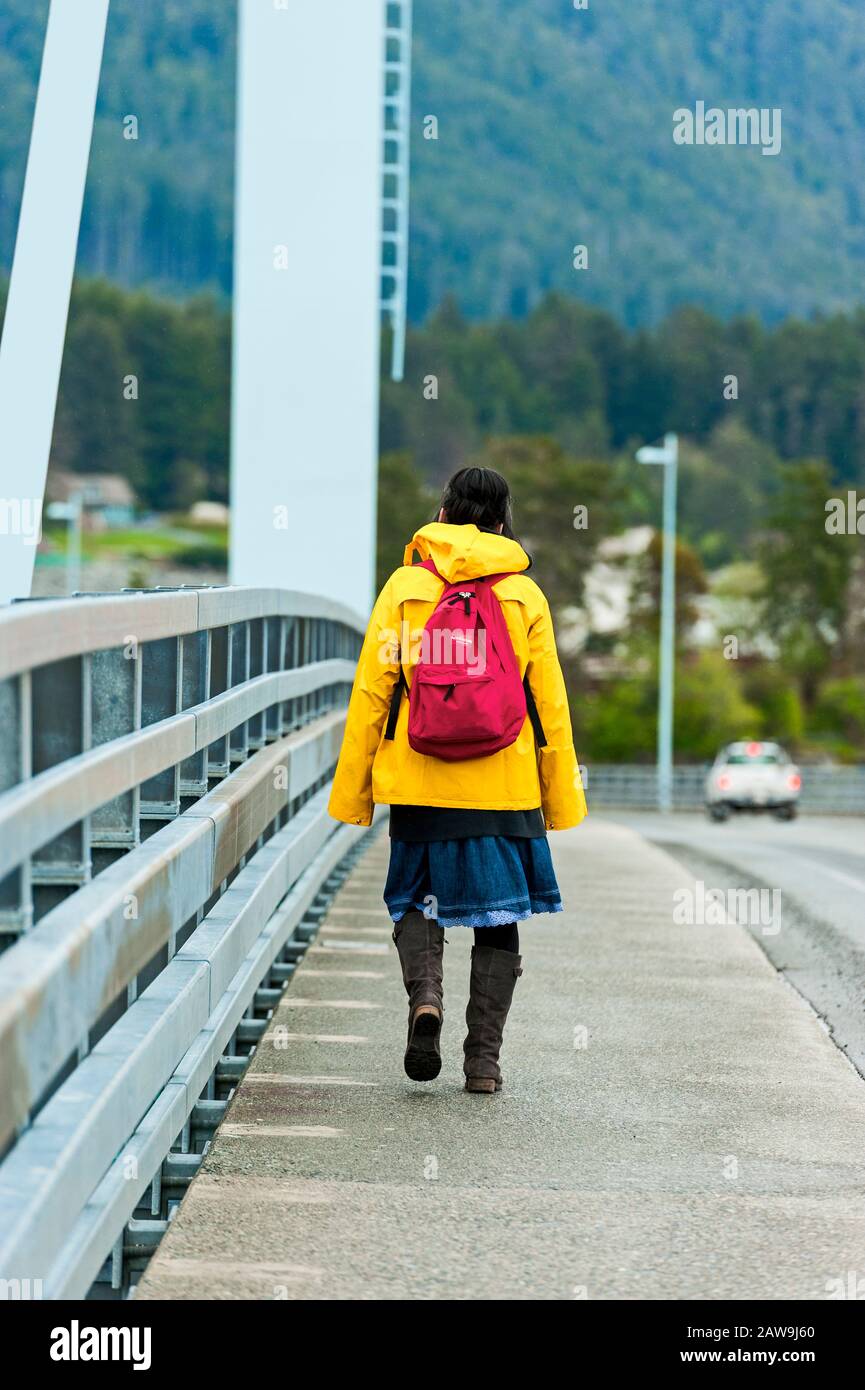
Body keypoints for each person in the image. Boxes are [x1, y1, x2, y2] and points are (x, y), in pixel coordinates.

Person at [328, 466, 587, 1093]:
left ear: (442, 513)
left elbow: (372, 692)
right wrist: (559, 797)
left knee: (418, 902)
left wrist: (356, 791)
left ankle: (426, 999)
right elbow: (549, 705)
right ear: (502, 521)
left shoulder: (406, 588)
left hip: (420, 782)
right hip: (505, 786)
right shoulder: (524, 597)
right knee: (500, 918)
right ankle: (483, 1062)